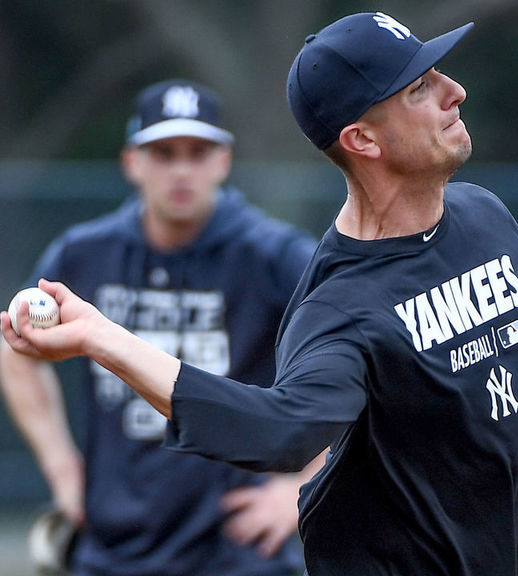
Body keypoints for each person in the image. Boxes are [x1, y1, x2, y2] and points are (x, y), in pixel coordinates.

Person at [2, 13, 518, 576]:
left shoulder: (483, 216)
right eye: (418, 87)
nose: (453, 91)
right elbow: (280, 430)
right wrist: (103, 339)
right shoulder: (341, 309)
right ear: (363, 139)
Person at [0, 79, 321, 576]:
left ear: (223, 162)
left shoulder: (272, 255)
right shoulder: (86, 253)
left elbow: (364, 361)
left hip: (235, 551)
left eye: (198, 152)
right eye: (163, 152)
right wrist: (62, 468)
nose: (181, 169)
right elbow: (14, 350)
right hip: (112, 548)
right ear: (132, 162)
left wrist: (304, 485)